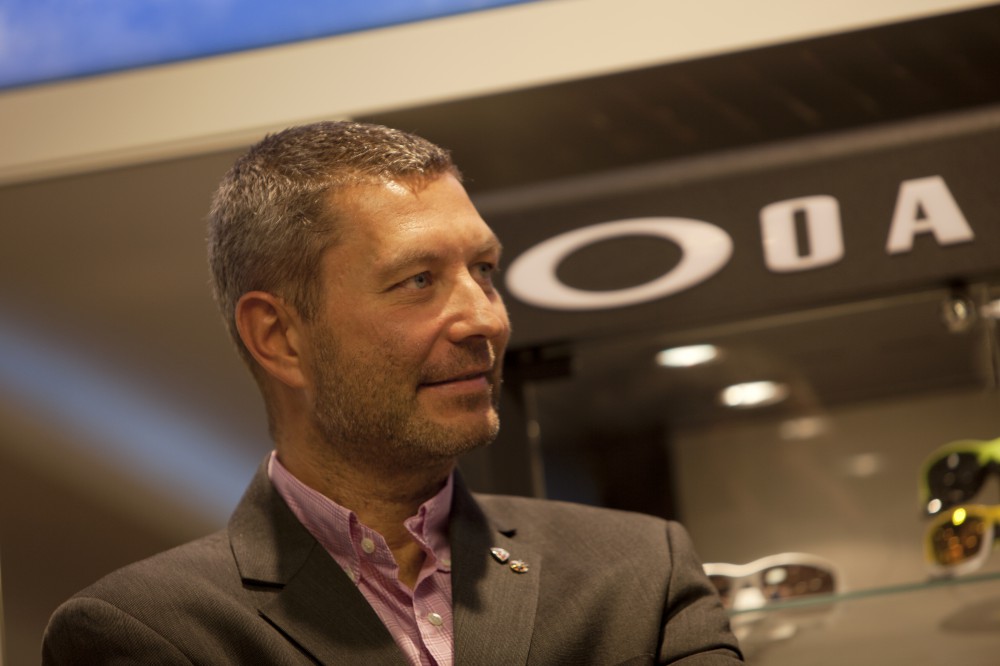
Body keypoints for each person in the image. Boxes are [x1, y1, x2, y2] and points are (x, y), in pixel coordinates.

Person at [42, 121, 743, 664]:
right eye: (418, 281)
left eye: (484, 269)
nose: (484, 319)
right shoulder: (146, 630)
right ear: (279, 337)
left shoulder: (639, 570)